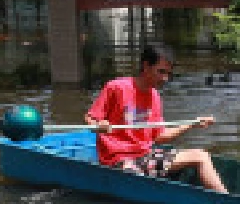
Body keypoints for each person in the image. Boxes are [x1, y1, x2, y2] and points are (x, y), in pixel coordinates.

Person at [85, 45, 228, 193]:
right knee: (136, 177)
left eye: (168, 73)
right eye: (161, 71)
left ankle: (226, 199)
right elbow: (90, 118)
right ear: (146, 66)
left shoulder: (154, 96)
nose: (165, 78)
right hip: (118, 160)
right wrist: (99, 125)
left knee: (201, 156)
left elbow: (159, 136)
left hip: (145, 156)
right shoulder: (116, 87)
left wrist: (192, 124)